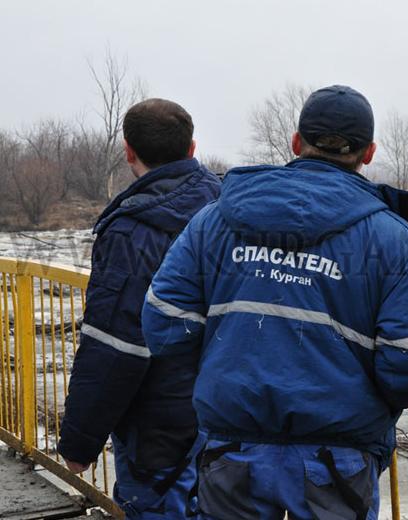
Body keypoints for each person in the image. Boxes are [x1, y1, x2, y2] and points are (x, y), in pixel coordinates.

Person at [141, 85, 408, 519]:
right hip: (337, 460)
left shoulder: (213, 221)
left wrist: (227, 366)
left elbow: (164, 323)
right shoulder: (395, 241)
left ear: (295, 142)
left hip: (232, 452)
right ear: (368, 153)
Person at [58, 98, 221, 518]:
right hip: (232, 421)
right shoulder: (228, 212)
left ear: (129, 152)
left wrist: (79, 442)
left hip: (163, 432)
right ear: (192, 149)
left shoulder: (134, 231)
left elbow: (116, 344)